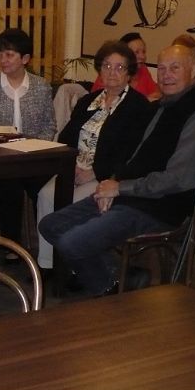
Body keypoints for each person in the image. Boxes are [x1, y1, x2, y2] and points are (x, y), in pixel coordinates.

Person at [39, 43, 195, 296]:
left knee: (73, 242)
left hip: (161, 207)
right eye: (162, 68)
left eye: (175, 68)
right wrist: (111, 184)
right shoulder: (161, 106)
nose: (166, 75)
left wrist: (121, 188)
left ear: (193, 71)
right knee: (51, 225)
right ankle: (120, 279)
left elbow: (180, 179)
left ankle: (110, 289)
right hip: (131, 195)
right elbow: (133, 157)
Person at [37, 40, 154, 270]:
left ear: (129, 73)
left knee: (71, 205)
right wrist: (70, 165)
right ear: (100, 69)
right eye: (107, 66)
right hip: (73, 168)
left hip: (105, 177)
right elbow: (66, 137)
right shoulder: (88, 101)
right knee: (46, 195)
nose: (112, 72)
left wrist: (94, 172)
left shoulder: (138, 107)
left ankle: (75, 266)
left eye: (119, 67)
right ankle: (48, 264)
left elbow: (130, 152)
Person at [0, 28, 56, 248]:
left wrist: (37, 148)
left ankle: (48, 247)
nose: (3, 60)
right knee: (8, 185)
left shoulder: (41, 87)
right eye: (0, 54)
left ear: (25, 58)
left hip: (33, 157)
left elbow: (49, 125)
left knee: (47, 188)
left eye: (9, 55)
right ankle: (12, 246)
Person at [91, 32, 161, 101]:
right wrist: (144, 100)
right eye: (136, 52)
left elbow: (156, 92)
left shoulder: (142, 69)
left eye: (143, 52)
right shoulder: (108, 76)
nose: (142, 56)